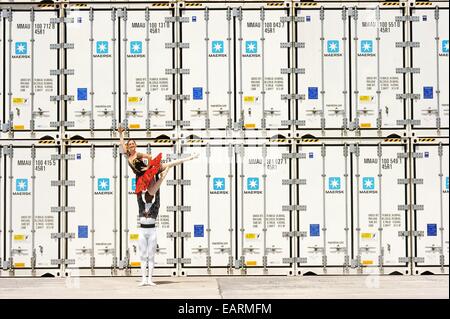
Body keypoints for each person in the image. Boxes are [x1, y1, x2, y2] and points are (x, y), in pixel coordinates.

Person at [117, 125, 198, 286]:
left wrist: (151, 164)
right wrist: (122, 134)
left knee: (166, 167)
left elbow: (148, 156)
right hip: (141, 179)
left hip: (148, 173)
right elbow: (121, 144)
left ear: (135, 146)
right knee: (150, 190)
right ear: (127, 146)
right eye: (130, 145)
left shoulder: (138, 154)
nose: (131, 146)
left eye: (133, 144)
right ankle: (143, 279)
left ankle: (188, 158)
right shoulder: (127, 156)